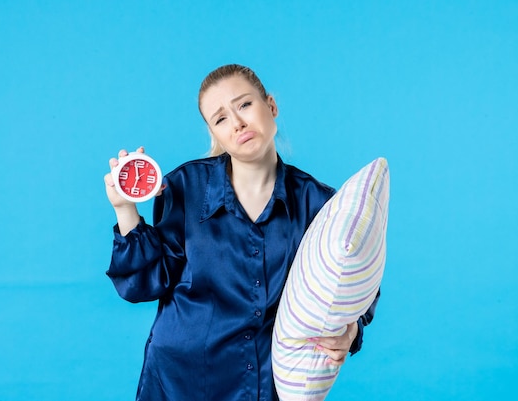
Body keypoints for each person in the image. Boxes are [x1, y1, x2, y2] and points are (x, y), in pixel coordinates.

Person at [103, 64, 379, 401]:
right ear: (214, 134)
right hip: (179, 383)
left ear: (271, 106)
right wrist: (124, 208)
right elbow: (146, 283)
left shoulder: (318, 202)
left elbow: (355, 281)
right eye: (220, 119)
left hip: (265, 385)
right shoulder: (185, 186)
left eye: (245, 105)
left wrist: (351, 329)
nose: (237, 123)